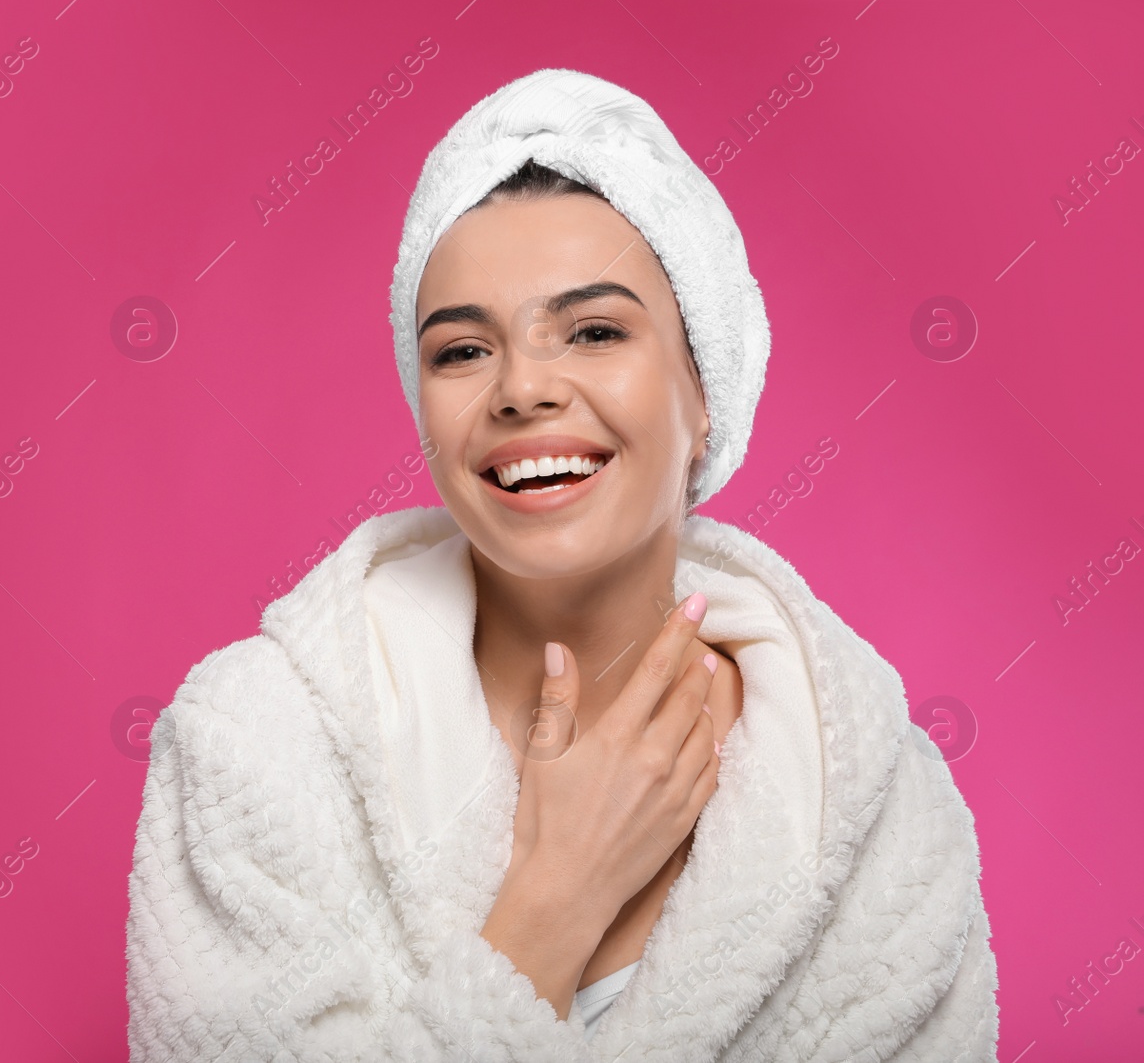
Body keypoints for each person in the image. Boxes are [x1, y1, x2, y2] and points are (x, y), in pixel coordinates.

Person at [126, 68, 999, 1061]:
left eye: (593, 331)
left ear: (703, 384)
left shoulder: (872, 798)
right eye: (461, 350)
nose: (521, 387)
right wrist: (554, 895)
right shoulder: (256, 746)